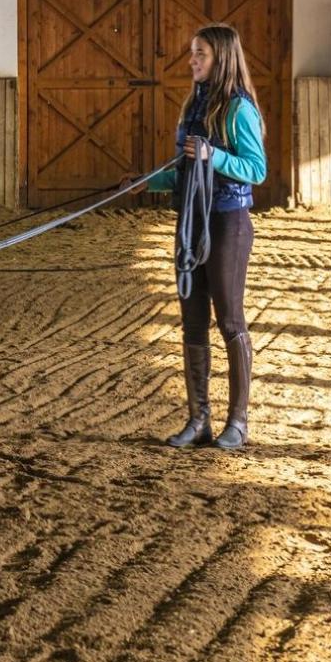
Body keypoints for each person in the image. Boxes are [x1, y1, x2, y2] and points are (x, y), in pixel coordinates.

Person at [127, 24, 267, 450]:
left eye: (200, 54)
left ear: (221, 58)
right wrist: (147, 183)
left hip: (227, 221)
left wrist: (214, 154)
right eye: (192, 53)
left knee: (229, 320)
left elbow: (256, 170)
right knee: (191, 322)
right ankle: (198, 419)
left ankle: (238, 422)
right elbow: (186, 170)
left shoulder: (239, 109)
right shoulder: (193, 106)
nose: (192, 60)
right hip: (191, 220)